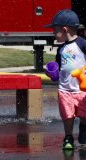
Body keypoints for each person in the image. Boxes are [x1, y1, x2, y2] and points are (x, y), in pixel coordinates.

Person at [45, 9, 86, 150]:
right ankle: (68, 137)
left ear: (64, 29)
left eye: (54, 30)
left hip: (82, 90)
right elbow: (59, 68)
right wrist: (53, 73)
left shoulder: (82, 44)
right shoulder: (60, 49)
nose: (52, 33)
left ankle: (83, 127)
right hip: (65, 90)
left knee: (84, 114)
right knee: (67, 116)